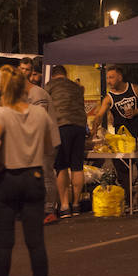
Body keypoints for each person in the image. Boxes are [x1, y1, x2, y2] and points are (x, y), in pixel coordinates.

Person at [0, 65, 59, 276]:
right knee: (36, 242)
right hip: (34, 178)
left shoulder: (0, 114)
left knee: (4, 243)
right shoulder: (39, 114)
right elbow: (49, 147)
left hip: (6, 179)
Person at [91, 65, 138, 202]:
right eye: (107, 78)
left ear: (120, 77)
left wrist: (135, 112)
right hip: (121, 141)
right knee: (122, 169)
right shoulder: (109, 98)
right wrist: (93, 131)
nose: (109, 80)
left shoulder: (133, 88)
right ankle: (128, 197)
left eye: (111, 77)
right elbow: (99, 115)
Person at [19, 57, 59, 224]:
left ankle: (49, 210)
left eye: (27, 70)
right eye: (21, 69)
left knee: (46, 175)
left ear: (32, 73)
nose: (23, 73)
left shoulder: (37, 93)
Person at [45, 65, 88, 218]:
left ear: (53, 75)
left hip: (61, 126)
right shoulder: (76, 87)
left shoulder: (49, 86)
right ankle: (76, 204)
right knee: (77, 166)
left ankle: (64, 205)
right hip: (79, 127)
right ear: (65, 74)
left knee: (61, 166)